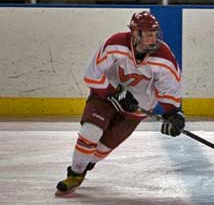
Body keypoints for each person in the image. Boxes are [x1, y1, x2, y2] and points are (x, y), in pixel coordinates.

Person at [56, 11, 185, 195]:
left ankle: (87, 164)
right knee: (90, 132)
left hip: (137, 109)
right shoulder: (115, 44)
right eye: (148, 35)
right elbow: (91, 75)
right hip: (105, 97)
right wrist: (114, 92)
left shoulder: (164, 57)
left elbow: (169, 91)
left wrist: (173, 114)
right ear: (134, 33)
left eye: (155, 34)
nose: (153, 39)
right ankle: (75, 174)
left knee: (101, 150)